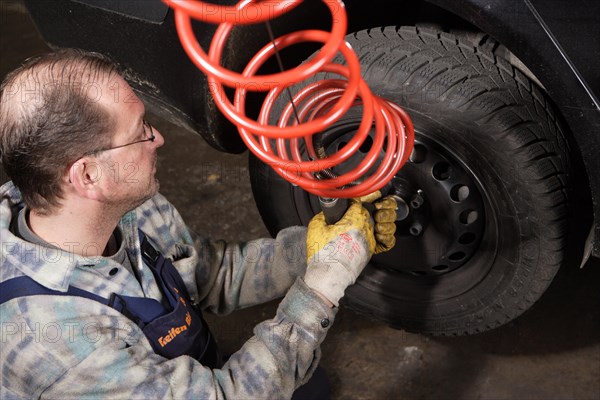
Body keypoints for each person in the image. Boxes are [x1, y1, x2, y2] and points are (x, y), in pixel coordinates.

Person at [0, 49, 397, 399]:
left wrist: (311, 248)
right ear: (87, 176)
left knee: (307, 384)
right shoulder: (59, 344)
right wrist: (322, 286)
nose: (158, 138)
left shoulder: (129, 204)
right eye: (139, 132)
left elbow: (210, 274)